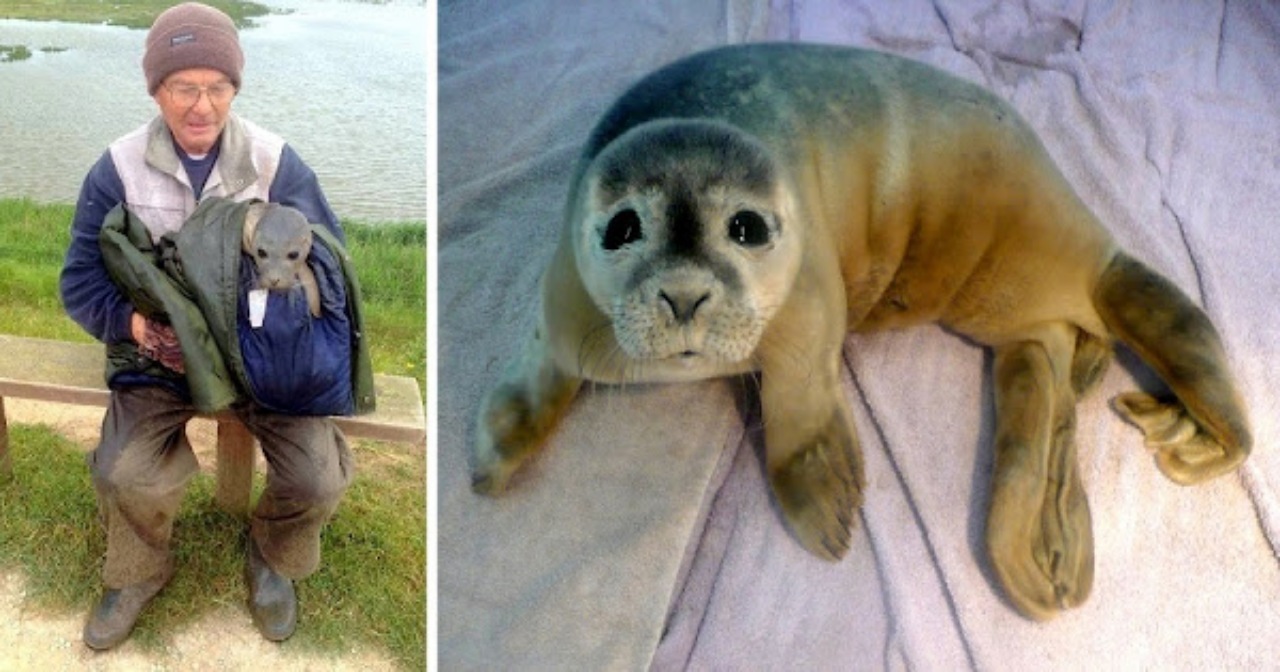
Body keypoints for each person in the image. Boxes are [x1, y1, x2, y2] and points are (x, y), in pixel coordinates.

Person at [59, 2, 352, 650]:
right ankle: (137, 571)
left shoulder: (277, 164)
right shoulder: (118, 167)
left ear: (234, 89)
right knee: (122, 470)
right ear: (157, 90)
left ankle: (272, 556)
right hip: (162, 355)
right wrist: (132, 326)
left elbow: (331, 259)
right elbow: (78, 281)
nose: (202, 105)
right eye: (183, 87)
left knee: (317, 476)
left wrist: (282, 311)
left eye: (217, 87)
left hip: (263, 360)